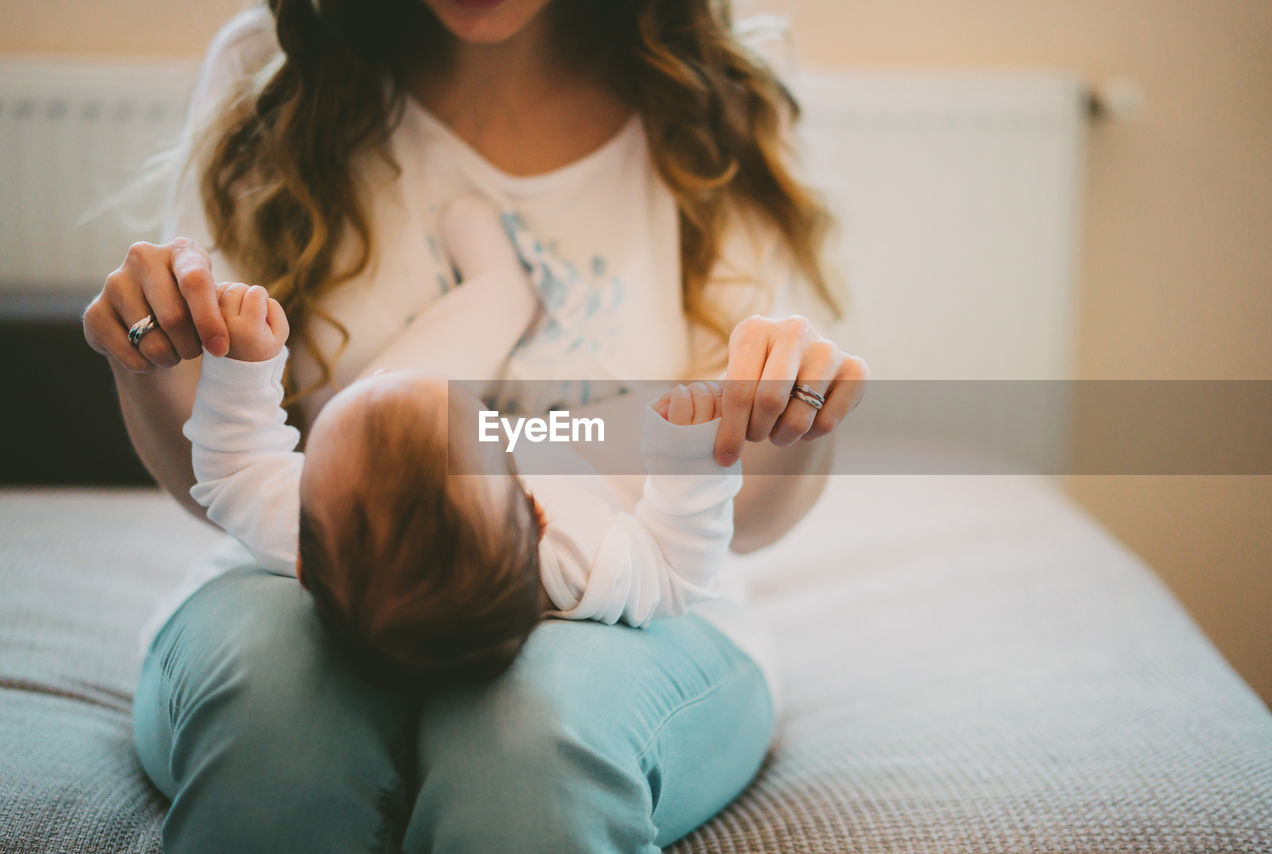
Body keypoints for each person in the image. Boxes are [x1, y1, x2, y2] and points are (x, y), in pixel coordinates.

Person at [81, 0, 869, 850]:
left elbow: (718, 535)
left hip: (622, 622)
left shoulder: (713, 92)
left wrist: (782, 415)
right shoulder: (273, 72)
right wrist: (146, 360)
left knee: (534, 748)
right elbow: (226, 472)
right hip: (318, 586)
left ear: (537, 521)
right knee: (276, 729)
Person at [184, 192, 743, 692]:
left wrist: (245, 367)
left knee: (416, 395)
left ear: (305, 565)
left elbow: (235, 470)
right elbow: (679, 572)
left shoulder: (321, 527)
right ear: (535, 511)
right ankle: (506, 291)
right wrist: (688, 461)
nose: (386, 374)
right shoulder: (578, 563)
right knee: (642, 412)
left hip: (520, 448)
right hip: (580, 462)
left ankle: (498, 297)